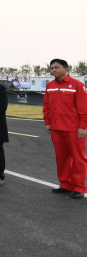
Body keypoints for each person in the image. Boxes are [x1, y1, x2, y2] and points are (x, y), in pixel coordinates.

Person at [43, 58, 87, 199]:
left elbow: (83, 108)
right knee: (61, 157)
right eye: (52, 68)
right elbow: (47, 106)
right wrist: (48, 123)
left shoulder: (77, 85)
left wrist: (83, 127)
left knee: (78, 158)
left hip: (74, 129)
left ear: (66, 69)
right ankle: (65, 184)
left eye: (56, 67)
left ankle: (79, 187)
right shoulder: (50, 86)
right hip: (56, 128)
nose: (53, 70)